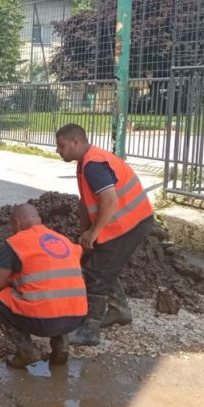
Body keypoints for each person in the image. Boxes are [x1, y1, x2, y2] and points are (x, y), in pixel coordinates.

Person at [54, 124, 155, 346]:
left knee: (97, 272)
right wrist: (84, 233)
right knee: (100, 262)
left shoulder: (94, 164)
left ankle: (89, 331)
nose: (58, 151)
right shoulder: (85, 163)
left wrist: (94, 232)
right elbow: (86, 202)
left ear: (76, 142)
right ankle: (120, 311)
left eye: (61, 146)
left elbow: (109, 200)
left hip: (130, 223)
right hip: (122, 222)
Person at [0, 204, 87, 368]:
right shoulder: (62, 239)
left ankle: (26, 350)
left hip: (44, 322)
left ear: (16, 223)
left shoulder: (17, 242)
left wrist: (13, 281)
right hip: (76, 318)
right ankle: (61, 345)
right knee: (57, 294)